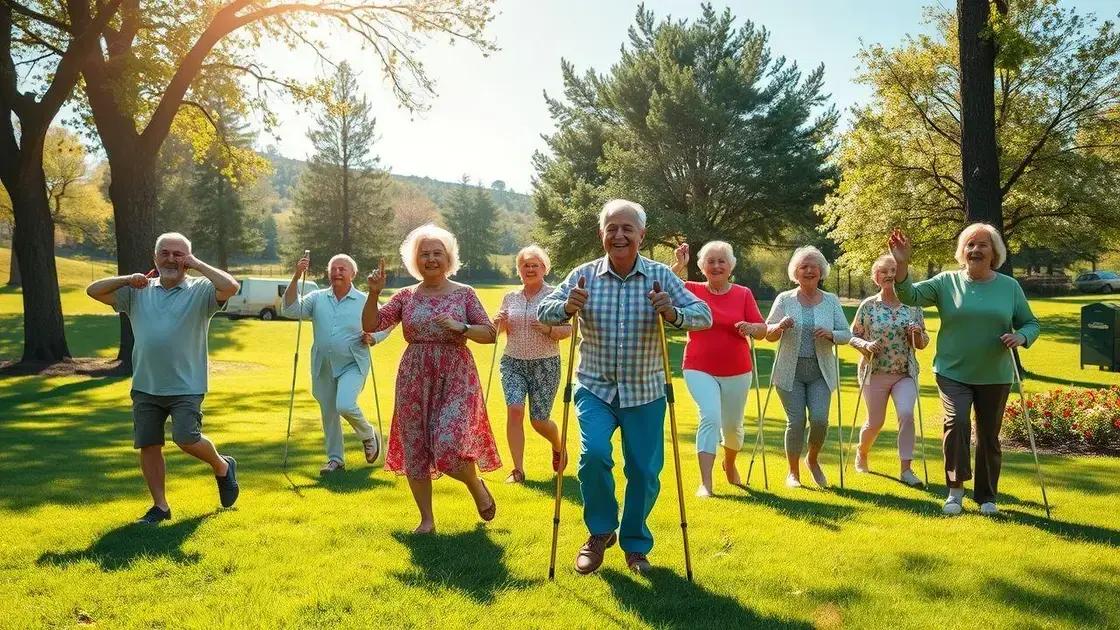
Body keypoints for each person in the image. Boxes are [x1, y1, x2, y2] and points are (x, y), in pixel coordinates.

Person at [539, 199, 712, 576]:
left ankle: (635, 544)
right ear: (602, 234)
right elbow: (544, 311)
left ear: (641, 235)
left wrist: (673, 313)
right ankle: (600, 532)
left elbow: (704, 315)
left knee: (645, 471)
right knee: (594, 456)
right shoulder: (583, 275)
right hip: (595, 387)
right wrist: (567, 306)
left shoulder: (660, 277)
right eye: (611, 228)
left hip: (645, 389)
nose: (619, 235)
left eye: (627, 229)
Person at [86, 232, 240, 524]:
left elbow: (230, 287)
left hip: (187, 384)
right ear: (154, 258)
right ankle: (160, 506)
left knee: (186, 437)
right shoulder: (136, 291)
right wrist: (127, 279)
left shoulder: (201, 291)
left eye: (179, 254)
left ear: (188, 258)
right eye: (165, 253)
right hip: (146, 385)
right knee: (149, 444)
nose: (171, 259)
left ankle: (222, 466)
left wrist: (196, 263)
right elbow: (93, 290)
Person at [889, 224, 1040, 515]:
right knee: (957, 422)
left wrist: (1022, 337)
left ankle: (986, 497)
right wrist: (902, 262)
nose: (975, 250)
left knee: (988, 436)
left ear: (994, 252)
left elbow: (1031, 323)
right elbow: (909, 295)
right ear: (962, 251)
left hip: (994, 374)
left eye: (982, 245)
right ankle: (955, 490)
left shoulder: (1009, 287)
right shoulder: (946, 282)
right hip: (952, 371)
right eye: (970, 245)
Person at [362, 224, 501, 533]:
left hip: (456, 375)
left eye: (437, 253)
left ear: (448, 258)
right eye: (424, 254)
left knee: (449, 445)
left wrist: (461, 327)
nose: (431, 259)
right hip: (414, 376)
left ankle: (475, 485)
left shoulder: (464, 294)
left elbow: (490, 333)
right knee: (415, 446)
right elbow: (372, 324)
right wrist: (373, 294)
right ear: (416, 260)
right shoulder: (405, 296)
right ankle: (426, 519)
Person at [282, 253, 395, 475]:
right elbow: (290, 309)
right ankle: (335, 461)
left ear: (353, 274)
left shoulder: (364, 299)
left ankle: (368, 434)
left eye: (342, 269)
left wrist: (374, 337)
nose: (337, 272)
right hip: (323, 364)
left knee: (344, 404)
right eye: (333, 269)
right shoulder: (317, 298)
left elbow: (386, 323)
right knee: (329, 412)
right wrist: (296, 276)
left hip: (353, 363)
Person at [671, 241, 766, 497]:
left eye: (721, 261)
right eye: (710, 261)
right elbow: (664, 286)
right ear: (702, 267)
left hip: (738, 369)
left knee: (733, 427)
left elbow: (763, 329)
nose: (716, 266)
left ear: (730, 266)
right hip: (699, 367)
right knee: (710, 416)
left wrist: (750, 327)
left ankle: (730, 462)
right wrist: (680, 264)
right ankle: (706, 483)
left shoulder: (743, 293)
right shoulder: (691, 289)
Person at [764, 246, 851, 489]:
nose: (809, 270)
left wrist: (832, 334)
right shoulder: (784, 299)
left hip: (820, 372)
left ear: (822, 271)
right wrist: (780, 326)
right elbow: (767, 333)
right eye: (804, 266)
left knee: (821, 420)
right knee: (797, 421)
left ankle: (812, 460)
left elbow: (847, 334)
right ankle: (793, 472)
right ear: (796, 272)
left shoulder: (831, 301)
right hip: (789, 371)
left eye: (814, 266)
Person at [848, 254, 929, 487]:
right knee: (875, 422)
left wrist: (916, 334)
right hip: (874, 373)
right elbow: (853, 336)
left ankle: (906, 469)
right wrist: (866, 345)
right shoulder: (868, 306)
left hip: (904, 373)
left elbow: (922, 343)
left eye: (894, 270)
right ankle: (862, 452)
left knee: (906, 414)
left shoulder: (913, 306)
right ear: (876, 277)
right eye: (884, 271)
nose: (890, 275)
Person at [493, 245, 572, 484]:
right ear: (519, 270)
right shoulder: (510, 297)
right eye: (525, 265)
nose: (529, 269)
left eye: (534, 265)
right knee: (515, 410)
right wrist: (499, 322)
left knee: (538, 420)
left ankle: (558, 444)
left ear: (544, 268)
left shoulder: (556, 295)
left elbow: (569, 329)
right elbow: (495, 329)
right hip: (513, 362)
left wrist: (549, 329)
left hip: (545, 364)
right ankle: (517, 470)